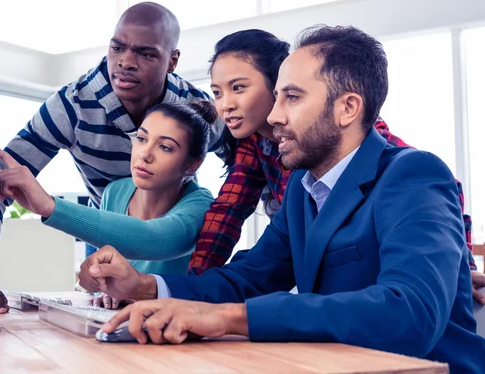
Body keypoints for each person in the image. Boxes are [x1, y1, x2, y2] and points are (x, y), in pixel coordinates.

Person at [77, 25, 485, 373]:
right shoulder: (302, 192)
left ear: (347, 108)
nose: (273, 117)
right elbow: (248, 277)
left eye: (292, 97)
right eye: (276, 98)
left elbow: (409, 312)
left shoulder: (413, 174)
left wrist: (226, 318)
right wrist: (146, 286)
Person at [0, 2, 225, 314]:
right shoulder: (71, 107)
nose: (126, 62)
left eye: (146, 53)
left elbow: (250, 173)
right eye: (117, 47)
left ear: (172, 60)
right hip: (107, 248)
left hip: (174, 263)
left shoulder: (199, 112)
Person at [188, 28, 485, 302]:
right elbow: (229, 220)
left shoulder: (382, 156)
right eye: (216, 92)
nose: (225, 103)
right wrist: (167, 289)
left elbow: (423, 190)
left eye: (291, 97)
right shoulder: (282, 170)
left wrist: (459, 264)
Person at [0, 101, 216, 309]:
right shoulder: (115, 192)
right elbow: (106, 274)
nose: (144, 155)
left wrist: (50, 206)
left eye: (165, 147)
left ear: (192, 164)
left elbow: (155, 239)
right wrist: (102, 286)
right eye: (142, 138)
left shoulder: (201, 205)